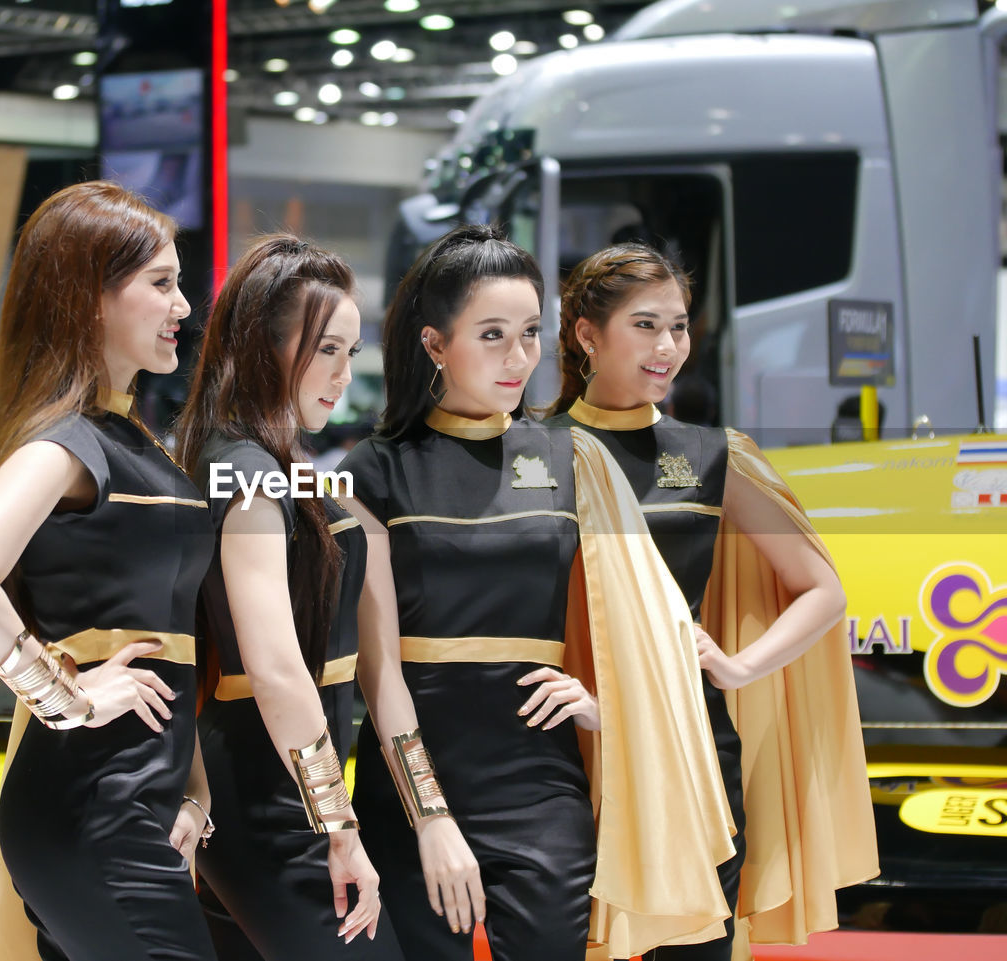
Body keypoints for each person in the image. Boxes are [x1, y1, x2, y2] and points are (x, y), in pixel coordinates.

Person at [339, 224, 734, 961]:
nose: (519, 358)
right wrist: (430, 817)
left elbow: (645, 618)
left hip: (542, 791)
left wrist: (604, 705)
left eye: (529, 333)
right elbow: (379, 667)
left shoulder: (571, 454)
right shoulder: (374, 471)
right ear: (433, 344)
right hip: (411, 785)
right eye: (493, 334)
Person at [545, 242, 878, 959]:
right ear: (585, 334)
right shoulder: (534, 452)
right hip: (565, 755)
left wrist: (737, 666)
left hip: (693, 751)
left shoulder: (711, 454)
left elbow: (823, 589)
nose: (669, 346)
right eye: (645, 324)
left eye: (680, 324)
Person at [0, 181, 218, 961]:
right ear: (90, 298)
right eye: (161, 283)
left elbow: (167, 633)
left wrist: (194, 791)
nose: (183, 306)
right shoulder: (67, 443)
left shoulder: (129, 441)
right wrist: (68, 699)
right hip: (91, 807)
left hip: (133, 806)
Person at [175, 235, 391, 960]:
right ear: (264, 346)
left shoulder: (258, 461)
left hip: (274, 784)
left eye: (351, 353)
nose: (342, 374)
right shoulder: (246, 471)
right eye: (325, 348)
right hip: (273, 799)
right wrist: (338, 824)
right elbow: (274, 666)